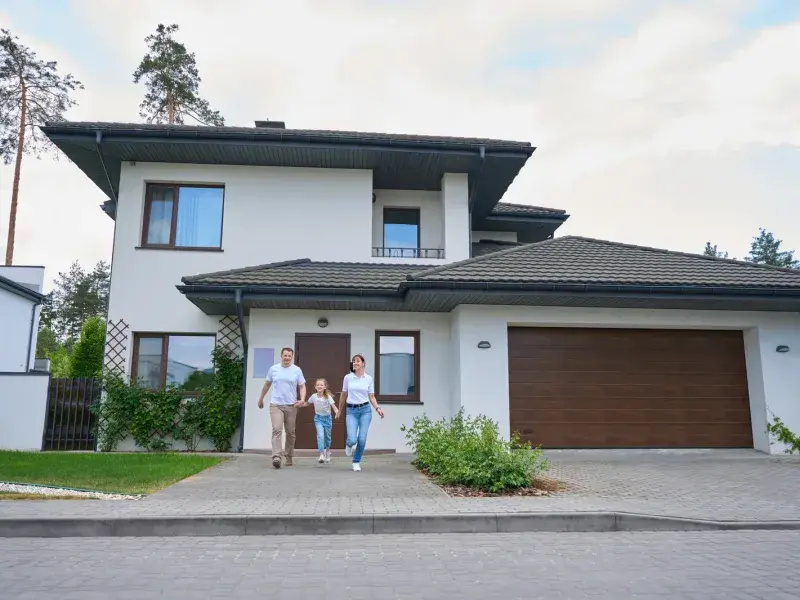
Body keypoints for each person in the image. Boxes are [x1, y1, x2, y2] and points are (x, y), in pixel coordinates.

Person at [257, 347, 306, 469]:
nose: (287, 358)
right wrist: (261, 398)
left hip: (291, 405)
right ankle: (276, 457)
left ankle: (289, 455)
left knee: (290, 432)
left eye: (289, 356)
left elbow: (302, 386)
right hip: (276, 405)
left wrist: (302, 399)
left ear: (292, 357)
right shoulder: (274, 369)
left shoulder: (296, 370)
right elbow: (267, 384)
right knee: (277, 429)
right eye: (285, 355)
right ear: (281, 356)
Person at [337, 354, 384, 472]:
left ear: (363, 363)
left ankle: (356, 461)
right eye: (354, 361)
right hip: (351, 411)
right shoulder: (348, 378)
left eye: (358, 361)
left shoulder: (368, 379)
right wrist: (339, 410)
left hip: (365, 411)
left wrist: (377, 408)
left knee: (362, 439)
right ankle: (349, 444)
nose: (355, 363)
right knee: (352, 439)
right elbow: (343, 395)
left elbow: (371, 396)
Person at [299, 378, 340, 464]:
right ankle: (321, 454)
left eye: (321, 385)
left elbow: (334, 407)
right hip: (318, 418)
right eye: (318, 385)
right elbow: (307, 403)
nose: (319, 386)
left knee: (327, 437)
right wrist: (300, 404)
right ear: (315, 387)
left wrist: (337, 412)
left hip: (327, 419)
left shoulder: (328, 396)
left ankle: (327, 452)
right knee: (320, 435)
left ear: (325, 387)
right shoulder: (313, 396)